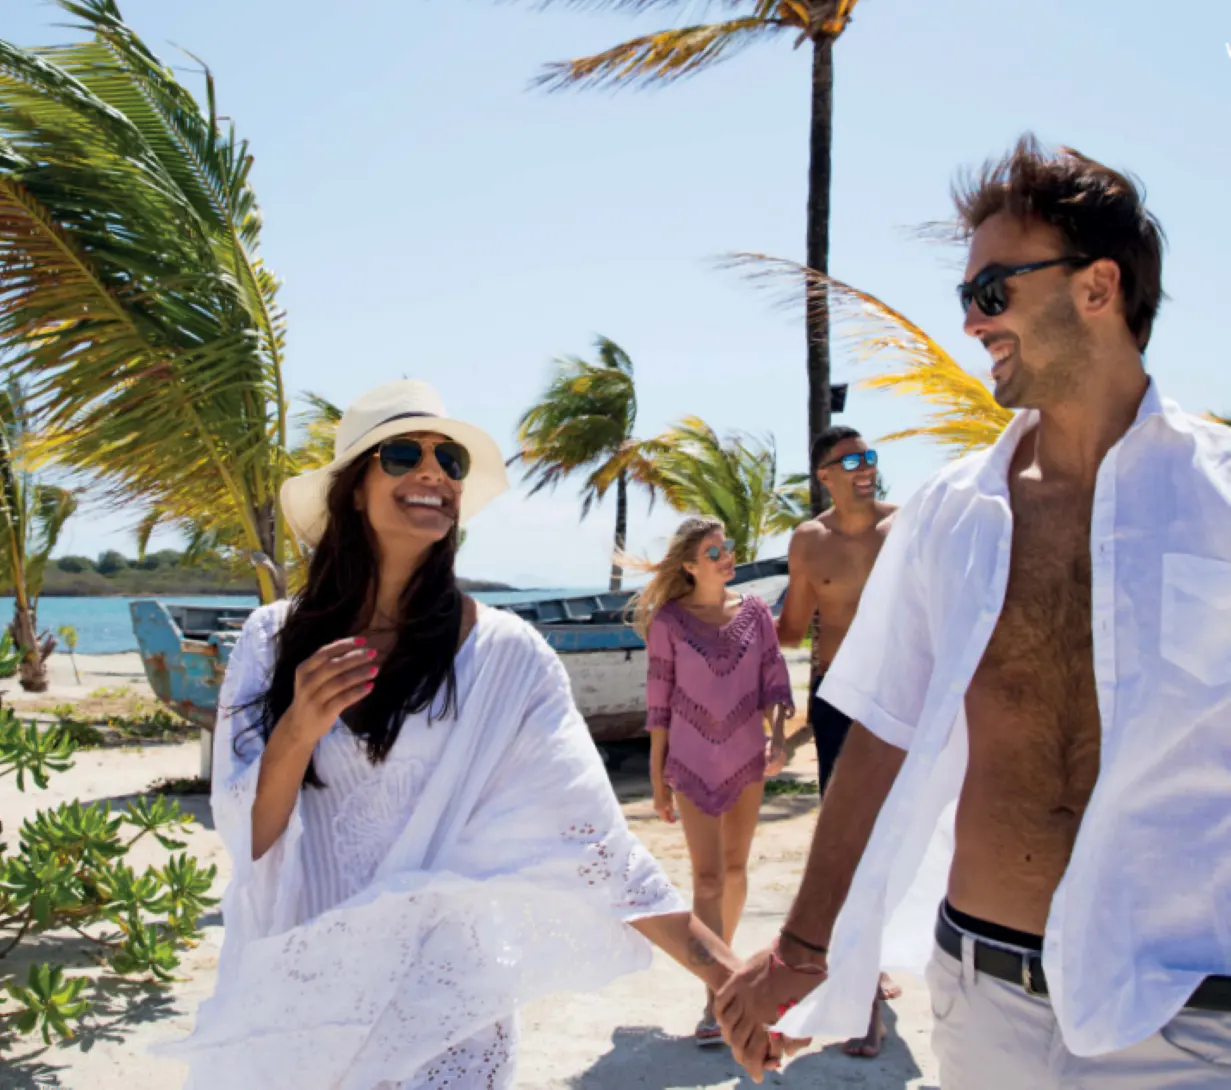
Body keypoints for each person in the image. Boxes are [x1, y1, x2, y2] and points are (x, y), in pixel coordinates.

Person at [716, 135, 1231, 1087]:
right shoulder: (953, 515)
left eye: (990, 292)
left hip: (1189, 1016)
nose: (970, 323)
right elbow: (879, 734)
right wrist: (800, 945)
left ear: (1096, 287)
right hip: (983, 997)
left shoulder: (1220, 499)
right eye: (966, 298)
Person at [156, 380, 746, 1090]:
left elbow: (597, 848)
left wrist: (727, 977)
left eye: (451, 460)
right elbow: (251, 839)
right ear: (352, 488)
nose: (432, 472)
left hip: (449, 1004)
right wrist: (296, 733)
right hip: (309, 991)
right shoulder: (273, 639)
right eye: (403, 453)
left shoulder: (508, 655)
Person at [635, 517, 793, 1046]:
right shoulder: (668, 623)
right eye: (713, 551)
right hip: (690, 759)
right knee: (706, 880)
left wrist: (778, 739)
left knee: (734, 869)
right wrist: (657, 781)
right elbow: (659, 704)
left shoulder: (755, 614)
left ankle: (723, 983)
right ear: (688, 564)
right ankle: (718, 994)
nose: (726, 557)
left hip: (747, 755)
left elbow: (773, 678)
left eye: (727, 548)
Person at [774, 424, 899, 1058]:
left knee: (896, 837)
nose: (865, 468)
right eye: (851, 460)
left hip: (902, 698)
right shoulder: (809, 542)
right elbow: (791, 630)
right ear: (824, 473)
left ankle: (874, 965)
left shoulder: (903, 528)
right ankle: (863, 998)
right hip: (838, 703)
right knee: (851, 841)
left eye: (870, 457)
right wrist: (717, 620)